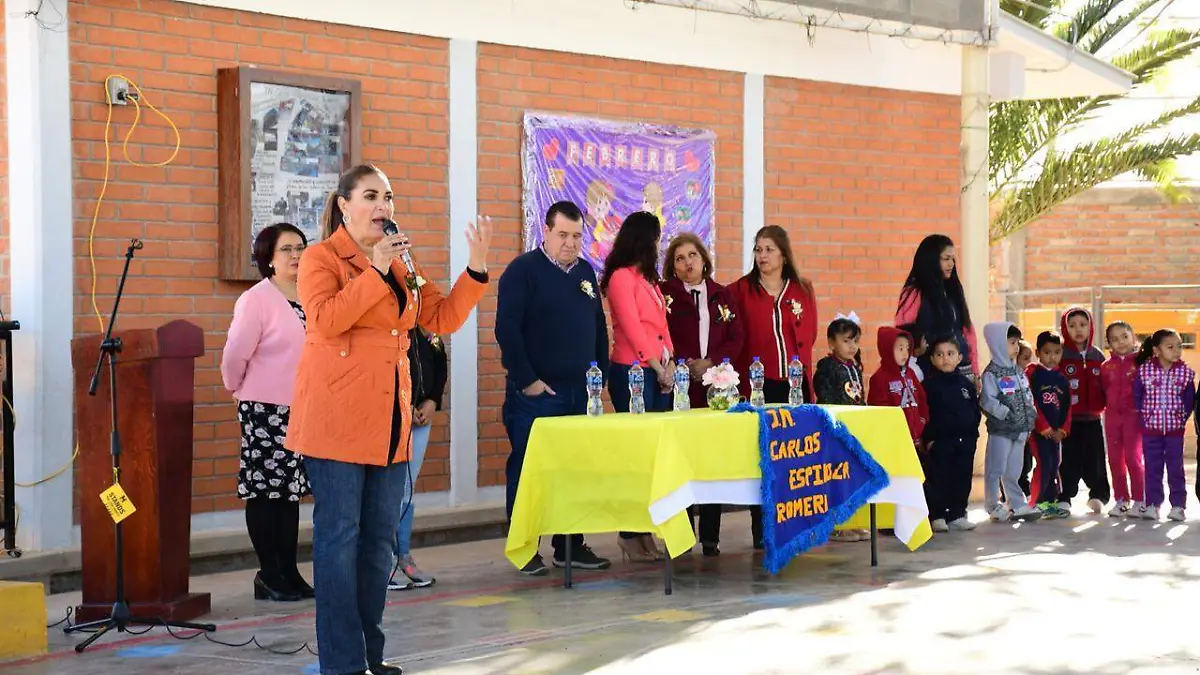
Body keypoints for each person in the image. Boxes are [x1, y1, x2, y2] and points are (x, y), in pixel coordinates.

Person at [286, 164, 490, 675]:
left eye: (390, 197)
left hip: (390, 423)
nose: (384, 206)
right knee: (339, 541)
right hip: (336, 423)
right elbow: (326, 320)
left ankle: (369, 657)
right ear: (344, 205)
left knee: (379, 544)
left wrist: (476, 269)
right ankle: (342, 664)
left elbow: (440, 317)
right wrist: (375, 271)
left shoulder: (401, 259)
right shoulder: (320, 257)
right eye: (372, 196)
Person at [496, 201, 612, 576]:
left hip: (581, 393)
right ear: (545, 231)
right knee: (530, 470)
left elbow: (598, 326)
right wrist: (528, 380)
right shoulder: (522, 271)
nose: (570, 243)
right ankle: (524, 547)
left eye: (577, 236)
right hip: (537, 395)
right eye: (562, 235)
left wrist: (600, 374)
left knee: (575, 471)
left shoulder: (585, 272)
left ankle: (570, 546)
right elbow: (507, 330)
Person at [221, 223, 312, 602]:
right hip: (264, 408)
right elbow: (234, 354)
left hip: (303, 407)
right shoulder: (256, 299)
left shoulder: (312, 294)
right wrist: (236, 389)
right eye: (286, 249)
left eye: (301, 247)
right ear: (268, 259)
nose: (296, 255)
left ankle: (289, 572)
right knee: (265, 492)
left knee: (290, 493)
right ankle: (269, 574)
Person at [729, 225, 818, 549]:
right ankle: (763, 530)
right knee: (763, 459)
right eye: (758, 249)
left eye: (769, 249)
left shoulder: (802, 289)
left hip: (794, 385)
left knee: (795, 457)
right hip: (758, 386)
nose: (762, 255)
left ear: (783, 254)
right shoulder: (740, 290)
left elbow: (810, 334)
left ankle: (795, 525)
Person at [660, 233, 743, 556]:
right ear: (673, 266)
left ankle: (710, 536)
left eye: (692, 255)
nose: (687, 263)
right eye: (679, 258)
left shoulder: (722, 294)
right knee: (682, 460)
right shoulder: (666, 295)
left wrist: (711, 363)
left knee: (711, 460)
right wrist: (685, 364)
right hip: (681, 386)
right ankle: (683, 535)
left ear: (704, 259)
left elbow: (736, 337)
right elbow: (661, 335)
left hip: (716, 385)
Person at [601, 211, 674, 562]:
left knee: (653, 459)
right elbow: (631, 328)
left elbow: (661, 326)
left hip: (657, 372)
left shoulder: (649, 280)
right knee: (637, 458)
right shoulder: (620, 278)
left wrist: (670, 361)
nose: (659, 246)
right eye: (657, 239)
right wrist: (657, 365)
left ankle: (645, 531)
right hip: (633, 372)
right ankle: (629, 534)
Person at [387, 326, 446, 591]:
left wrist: (433, 400)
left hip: (421, 417)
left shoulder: (426, 325)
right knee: (388, 488)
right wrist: (401, 403)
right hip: (392, 415)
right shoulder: (388, 321)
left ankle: (403, 554)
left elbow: (440, 361)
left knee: (407, 488)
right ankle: (384, 560)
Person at [814, 315, 869, 542]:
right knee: (836, 478)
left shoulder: (854, 367)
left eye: (855, 341)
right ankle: (836, 525)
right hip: (835, 431)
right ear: (831, 343)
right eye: (846, 341)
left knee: (852, 477)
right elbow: (824, 396)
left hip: (853, 431)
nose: (852, 346)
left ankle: (852, 522)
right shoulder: (827, 367)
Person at [979, 322, 1042, 523]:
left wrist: (1030, 414)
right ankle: (992, 505)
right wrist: (1006, 413)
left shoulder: (1017, 370)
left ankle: (1016, 503)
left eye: (1017, 343)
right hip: (1002, 430)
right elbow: (987, 400)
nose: (1016, 347)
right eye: (1012, 343)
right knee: (995, 468)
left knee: (1014, 469)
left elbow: (1026, 394)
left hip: (1020, 430)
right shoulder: (992, 373)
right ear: (998, 343)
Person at [895, 234, 979, 382]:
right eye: (946, 259)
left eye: (953, 259)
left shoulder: (953, 290)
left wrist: (975, 370)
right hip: (931, 374)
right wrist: (916, 351)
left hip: (962, 371)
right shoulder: (915, 292)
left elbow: (968, 331)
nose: (951, 264)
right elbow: (902, 333)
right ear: (931, 260)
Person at [1133, 329, 1195, 522]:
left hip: (1175, 431)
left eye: (1179, 346)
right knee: (1153, 468)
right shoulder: (1144, 371)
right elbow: (1138, 396)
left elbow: (1189, 400)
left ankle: (1178, 506)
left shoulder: (1185, 373)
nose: (1176, 351)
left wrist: (1181, 418)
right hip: (1151, 431)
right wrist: (1144, 418)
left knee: (1176, 468)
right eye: (1170, 347)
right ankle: (1153, 504)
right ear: (1156, 350)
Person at [921, 335, 981, 532]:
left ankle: (957, 514)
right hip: (941, 442)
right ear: (932, 359)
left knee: (962, 478)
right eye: (939, 354)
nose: (945, 358)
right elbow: (924, 414)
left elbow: (975, 410)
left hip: (965, 442)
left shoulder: (966, 384)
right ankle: (937, 515)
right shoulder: (929, 386)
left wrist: (972, 436)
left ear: (959, 358)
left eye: (950, 354)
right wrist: (929, 439)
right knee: (939, 478)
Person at [1057, 307, 1111, 515]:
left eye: (1082, 325)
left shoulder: (1097, 355)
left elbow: (1106, 384)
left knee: (1095, 459)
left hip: (1093, 418)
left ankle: (1098, 495)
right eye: (1072, 326)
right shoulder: (1061, 354)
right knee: (1068, 460)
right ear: (1065, 329)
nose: (1078, 330)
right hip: (1068, 421)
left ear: (1090, 327)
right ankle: (1064, 497)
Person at [1026, 331, 1071, 519]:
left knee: (1054, 465)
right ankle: (1036, 502)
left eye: (1057, 352)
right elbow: (1030, 401)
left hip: (1056, 433)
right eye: (1047, 352)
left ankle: (1051, 502)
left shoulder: (1062, 378)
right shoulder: (1032, 373)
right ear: (1038, 352)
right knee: (1044, 465)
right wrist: (1042, 426)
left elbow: (1068, 406)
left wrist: (1063, 430)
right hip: (1040, 433)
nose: (1052, 357)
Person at [1101, 321, 1142, 518]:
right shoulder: (1106, 366)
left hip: (1134, 417)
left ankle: (1140, 500)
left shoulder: (1142, 363)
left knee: (1133, 458)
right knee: (1115, 459)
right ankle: (1121, 499)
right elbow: (1103, 390)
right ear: (1109, 344)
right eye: (1115, 339)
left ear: (1133, 337)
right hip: (1112, 417)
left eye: (1125, 336)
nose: (1121, 342)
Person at [867, 327, 928, 449]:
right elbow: (879, 410)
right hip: (894, 440)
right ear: (887, 350)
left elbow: (922, 398)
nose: (905, 353)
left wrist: (922, 420)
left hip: (916, 438)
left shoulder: (911, 373)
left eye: (907, 348)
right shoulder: (879, 378)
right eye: (900, 349)